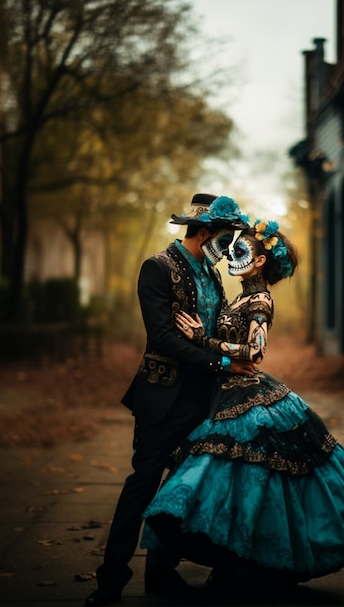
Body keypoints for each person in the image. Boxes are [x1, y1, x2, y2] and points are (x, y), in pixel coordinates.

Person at [140, 219, 344, 593]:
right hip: (222, 393)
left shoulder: (259, 300)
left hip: (246, 397)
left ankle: (232, 564)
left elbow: (256, 352)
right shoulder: (238, 296)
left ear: (259, 263)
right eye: (231, 248)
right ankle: (188, 565)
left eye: (240, 250)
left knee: (237, 481)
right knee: (213, 479)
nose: (231, 254)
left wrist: (202, 339)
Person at [85, 194, 253, 607]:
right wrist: (221, 361)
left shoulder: (213, 276)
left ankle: (160, 573)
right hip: (164, 399)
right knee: (142, 485)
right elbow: (162, 337)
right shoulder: (157, 268)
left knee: (187, 488)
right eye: (226, 237)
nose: (229, 246)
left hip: (207, 400)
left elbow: (217, 329)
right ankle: (110, 582)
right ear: (204, 232)